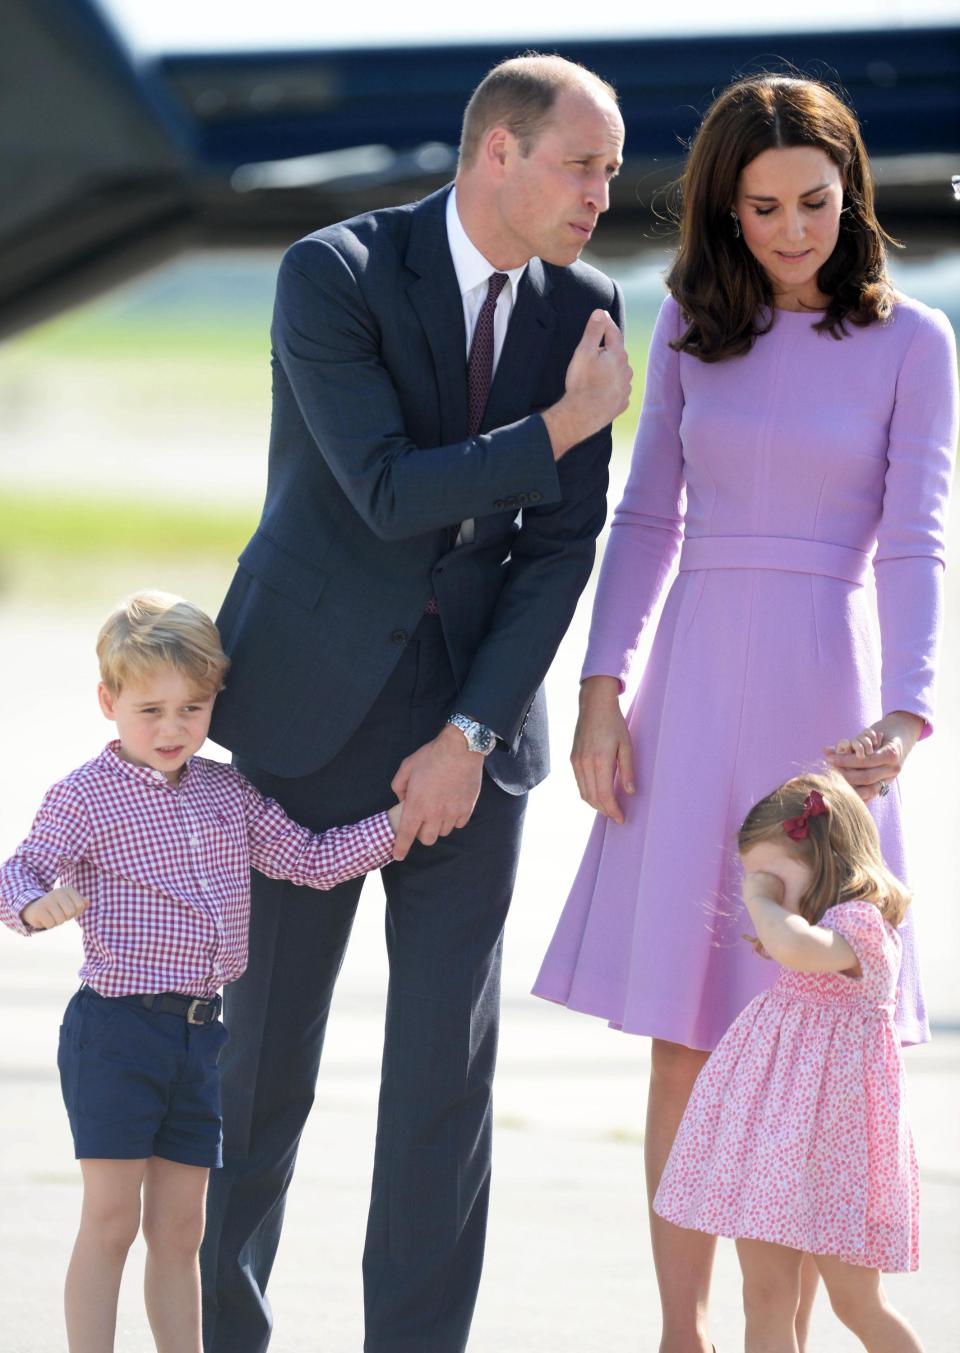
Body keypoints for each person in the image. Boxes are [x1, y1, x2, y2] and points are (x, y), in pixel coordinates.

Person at [199, 53, 630, 1353]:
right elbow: (387, 493)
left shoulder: (589, 306)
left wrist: (472, 735)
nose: (604, 194)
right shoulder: (331, 273)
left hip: (474, 742)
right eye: (582, 164)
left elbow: (560, 548)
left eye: (610, 170)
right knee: (257, 1072)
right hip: (302, 720)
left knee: (445, 1081)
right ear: (498, 153)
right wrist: (561, 426)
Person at [533, 72, 957, 1353]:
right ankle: (683, 1332)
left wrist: (907, 714)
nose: (789, 229)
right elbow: (649, 515)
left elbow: (917, 541)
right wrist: (602, 693)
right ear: (724, 209)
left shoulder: (915, 341)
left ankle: (801, 1326)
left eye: (814, 202)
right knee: (687, 1037)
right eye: (761, 206)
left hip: (829, 709)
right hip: (694, 694)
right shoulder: (682, 326)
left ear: (852, 194)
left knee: (817, 1034)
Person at [0, 591, 400, 1353]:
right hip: (115, 1031)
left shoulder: (226, 791)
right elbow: (16, 870)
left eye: (193, 707)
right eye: (150, 710)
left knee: (181, 1230)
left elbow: (308, 859)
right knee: (112, 1218)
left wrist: (396, 827)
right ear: (108, 701)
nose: (173, 728)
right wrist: (36, 905)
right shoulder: (87, 795)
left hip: (201, 1038)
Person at [654, 771, 924, 1353]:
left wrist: (759, 899)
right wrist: (772, 897)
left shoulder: (861, 926)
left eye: (776, 878)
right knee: (765, 1294)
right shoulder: (818, 926)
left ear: (826, 857)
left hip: (837, 1156)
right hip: (775, 1149)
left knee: (856, 1302)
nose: (765, 892)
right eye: (758, 880)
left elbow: (795, 947)